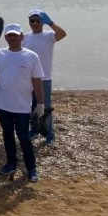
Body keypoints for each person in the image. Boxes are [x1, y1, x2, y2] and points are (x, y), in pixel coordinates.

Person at [0, 23, 45, 182]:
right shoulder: (1, 54)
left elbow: (37, 82)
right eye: (9, 35)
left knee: (23, 137)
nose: (12, 38)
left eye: (15, 35)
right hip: (3, 104)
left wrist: (40, 103)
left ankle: (31, 168)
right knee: (7, 135)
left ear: (21, 37)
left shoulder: (31, 56)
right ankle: (11, 163)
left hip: (22, 106)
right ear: (5, 37)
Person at [24, 9, 67, 146]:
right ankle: (34, 130)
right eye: (32, 21)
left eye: (38, 20)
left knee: (45, 107)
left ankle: (49, 135)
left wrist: (51, 23)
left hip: (44, 78)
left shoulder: (49, 35)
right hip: (28, 78)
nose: (35, 23)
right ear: (29, 22)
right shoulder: (25, 37)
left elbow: (63, 34)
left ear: (42, 22)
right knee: (32, 106)